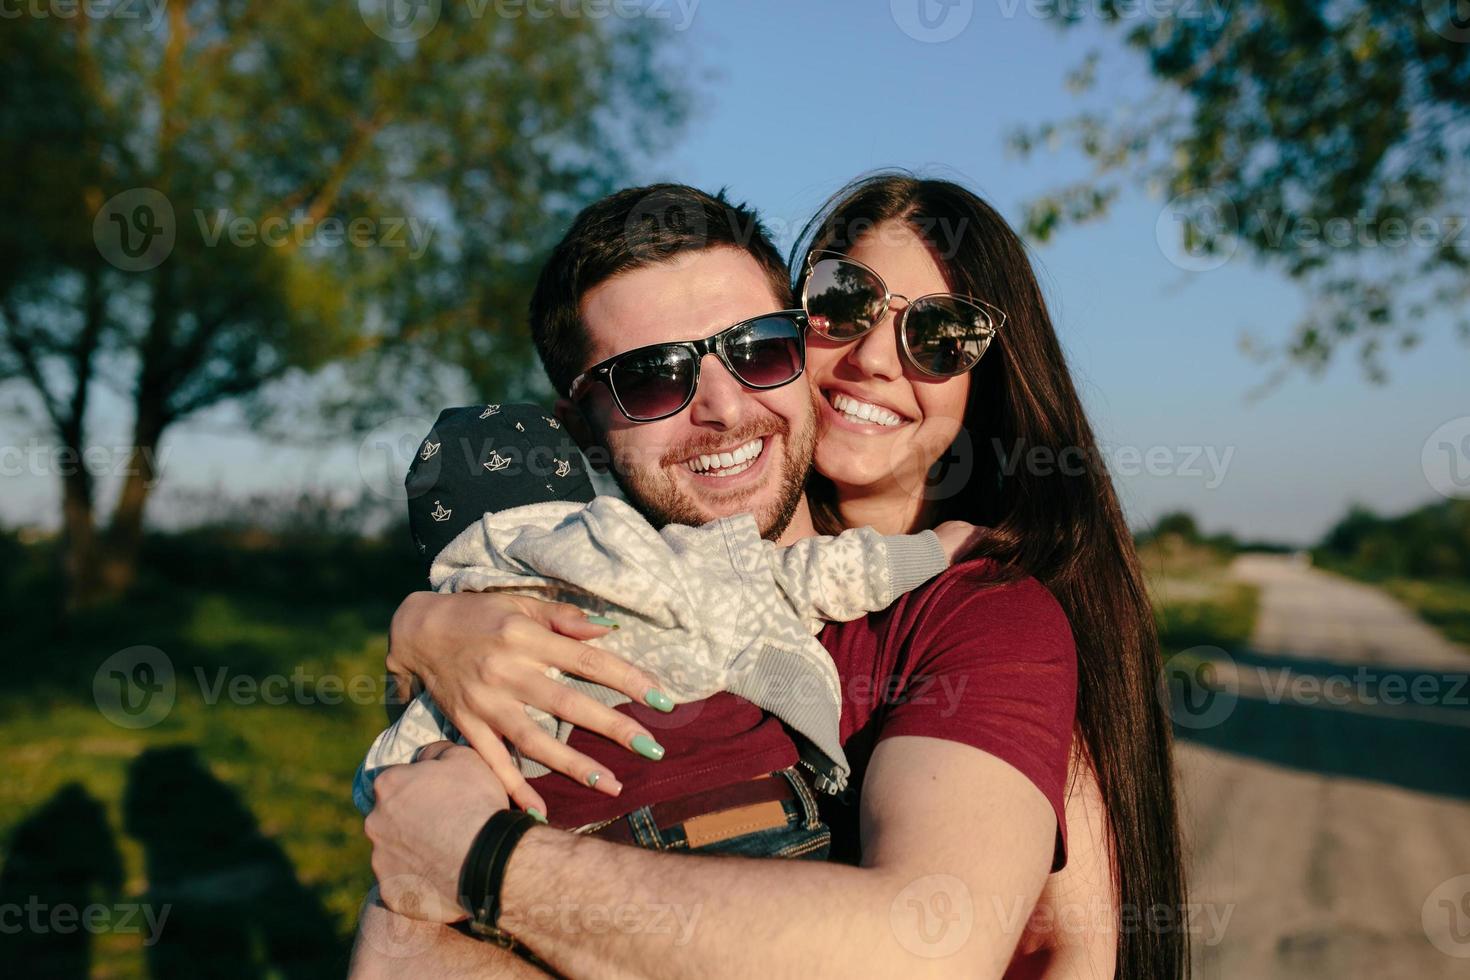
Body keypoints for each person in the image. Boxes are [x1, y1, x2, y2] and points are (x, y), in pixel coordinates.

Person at [357, 178, 1183, 978]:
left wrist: (485, 862)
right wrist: (430, 628)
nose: (720, 405)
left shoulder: (978, 614)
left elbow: (933, 951)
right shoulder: (575, 610)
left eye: (753, 348)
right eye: (652, 376)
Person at [353, 401, 975, 840]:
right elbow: (806, 575)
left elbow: (389, 791)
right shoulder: (652, 551)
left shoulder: (460, 652)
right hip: (752, 812)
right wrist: (934, 549)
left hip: (575, 848)